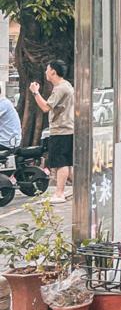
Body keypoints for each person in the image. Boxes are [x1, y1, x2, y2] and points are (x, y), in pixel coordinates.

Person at [29, 60, 73, 203]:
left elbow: (46, 107)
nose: (45, 72)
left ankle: (59, 193)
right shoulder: (66, 85)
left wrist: (35, 93)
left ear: (53, 71)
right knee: (66, 162)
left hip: (61, 130)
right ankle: (78, 188)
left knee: (61, 162)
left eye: (47, 69)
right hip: (66, 129)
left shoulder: (60, 88)